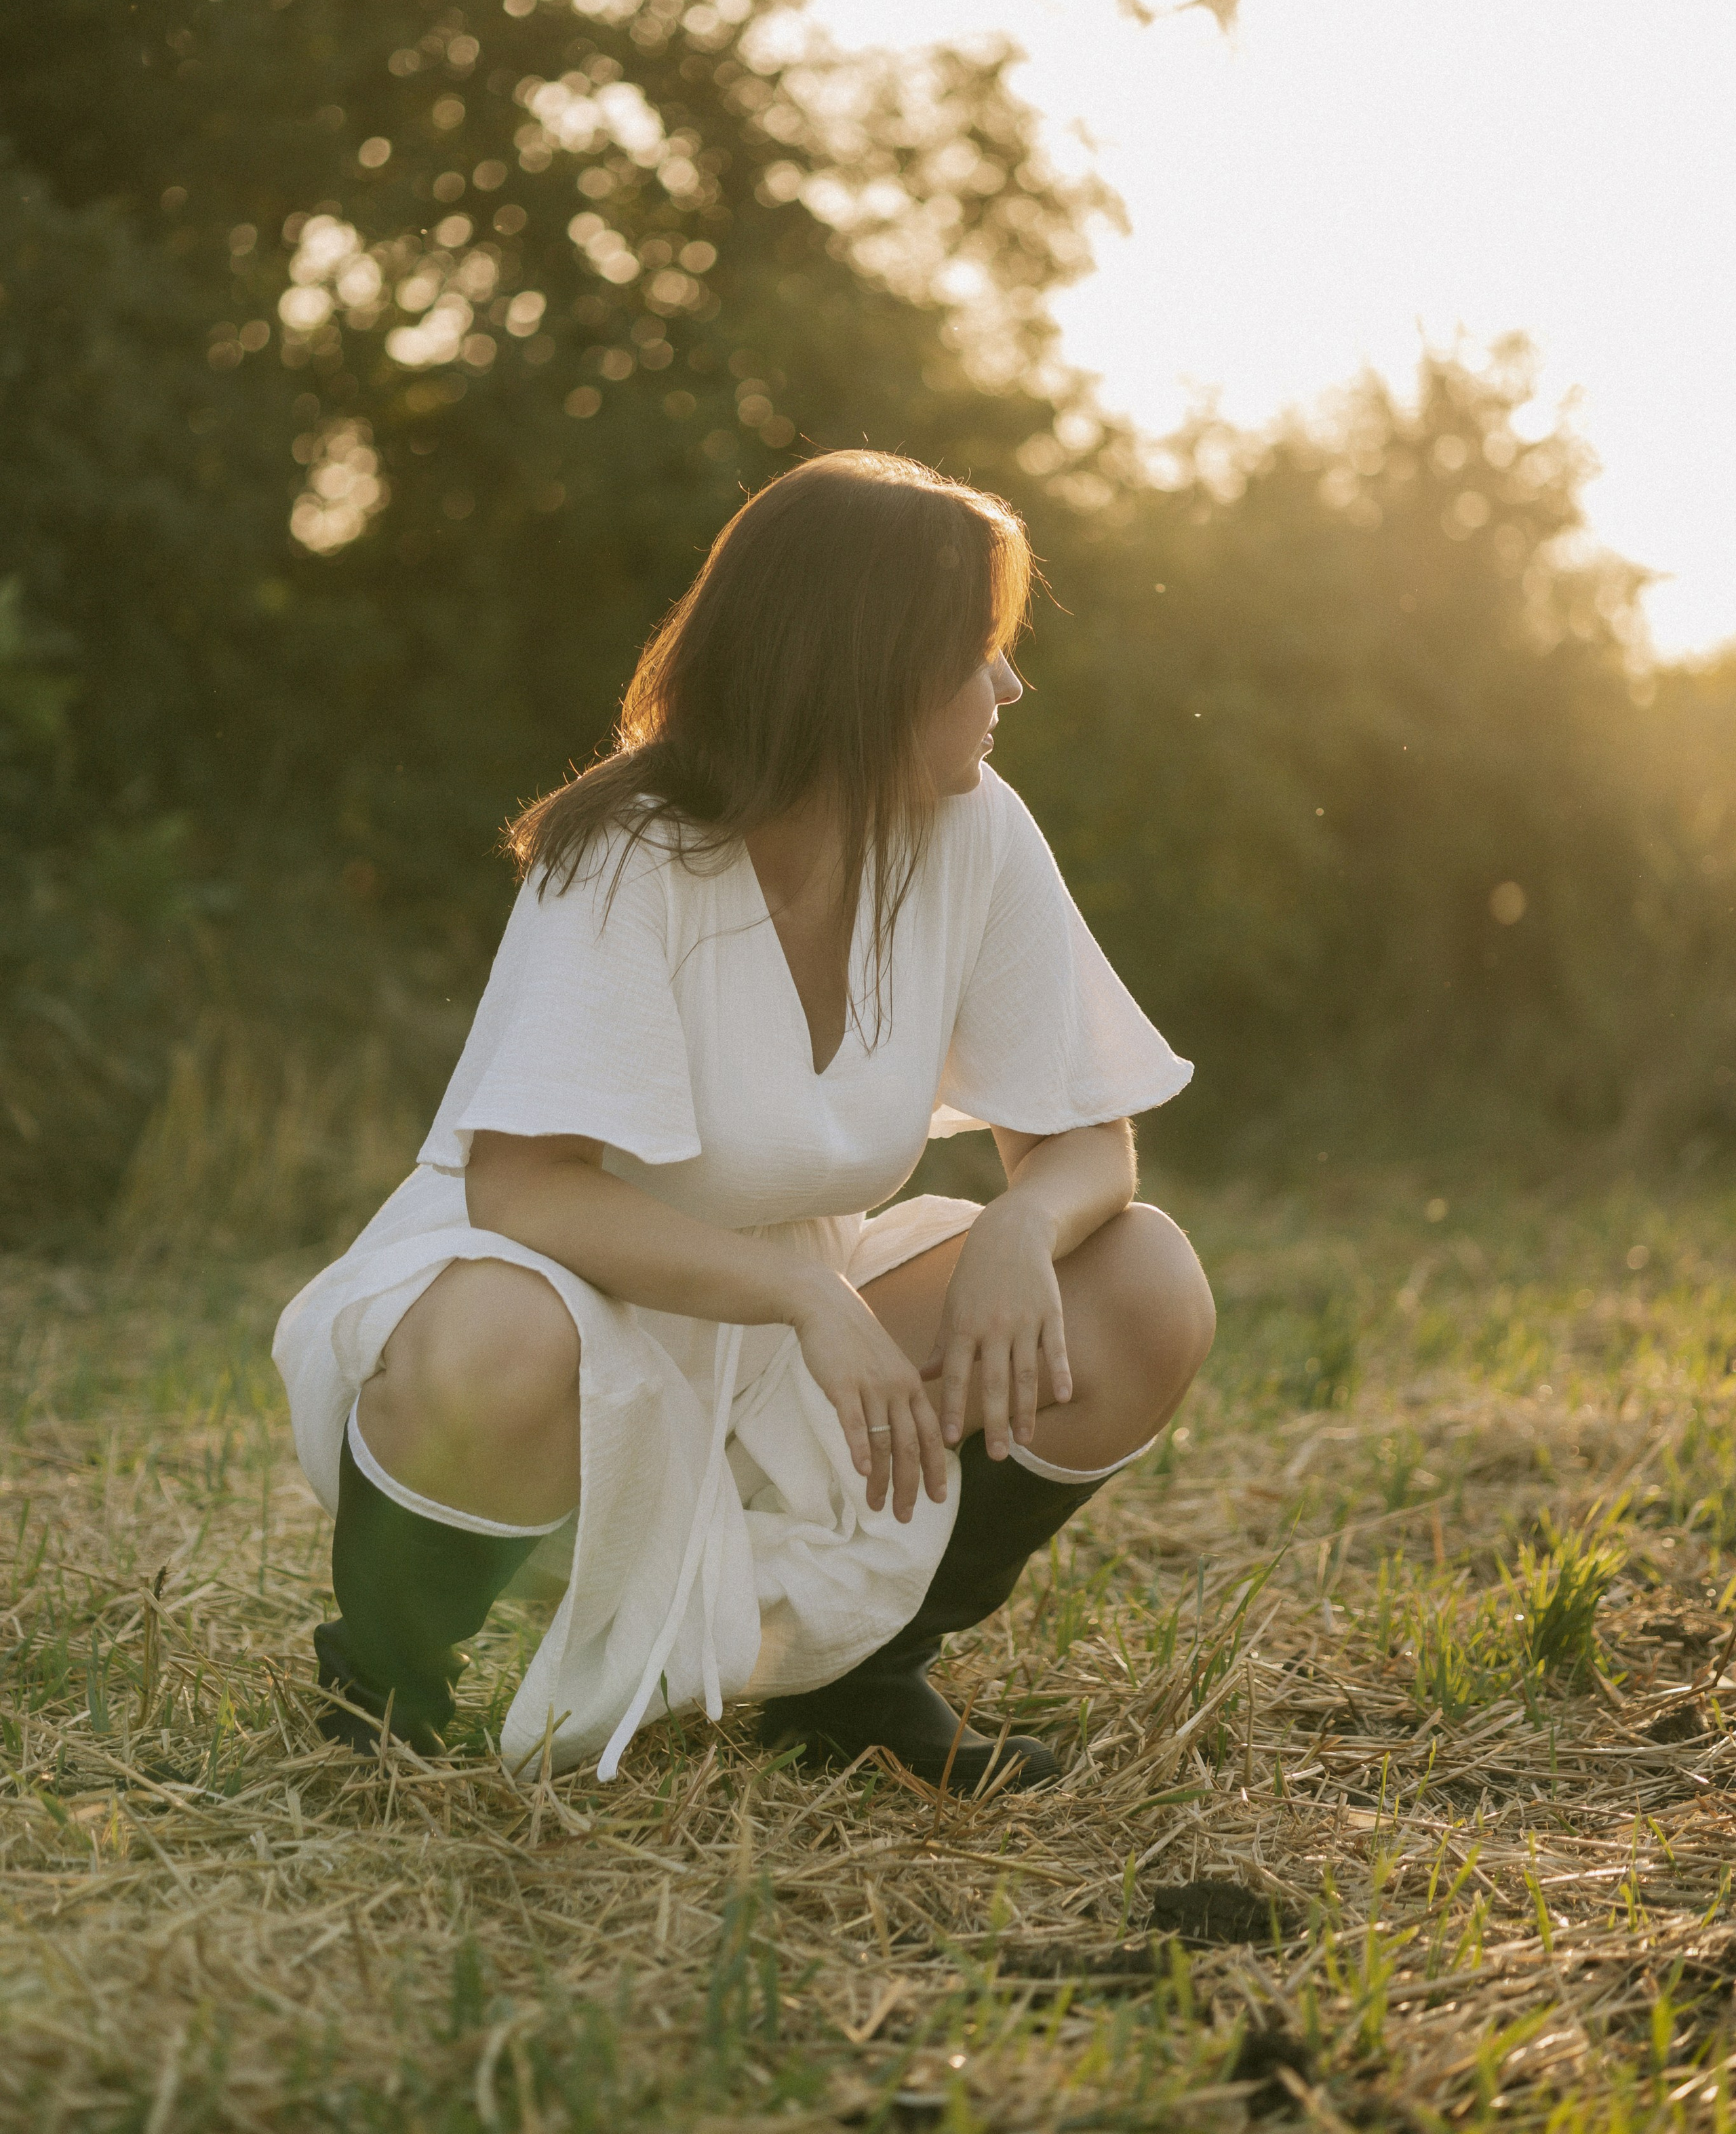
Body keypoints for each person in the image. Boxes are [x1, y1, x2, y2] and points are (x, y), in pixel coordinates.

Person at [273, 450, 1214, 1794]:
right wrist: (798, 1298)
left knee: (1140, 1279)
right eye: (979, 651)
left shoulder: (975, 832)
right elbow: (527, 1193)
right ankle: (384, 1684)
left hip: (782, 1332)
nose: (1007, 687)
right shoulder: (631, 850)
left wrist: (1022, 1221)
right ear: (871, 666)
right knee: (504, 1333)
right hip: (542, 1302)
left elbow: (1084, 1142)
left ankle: (856, 1678)